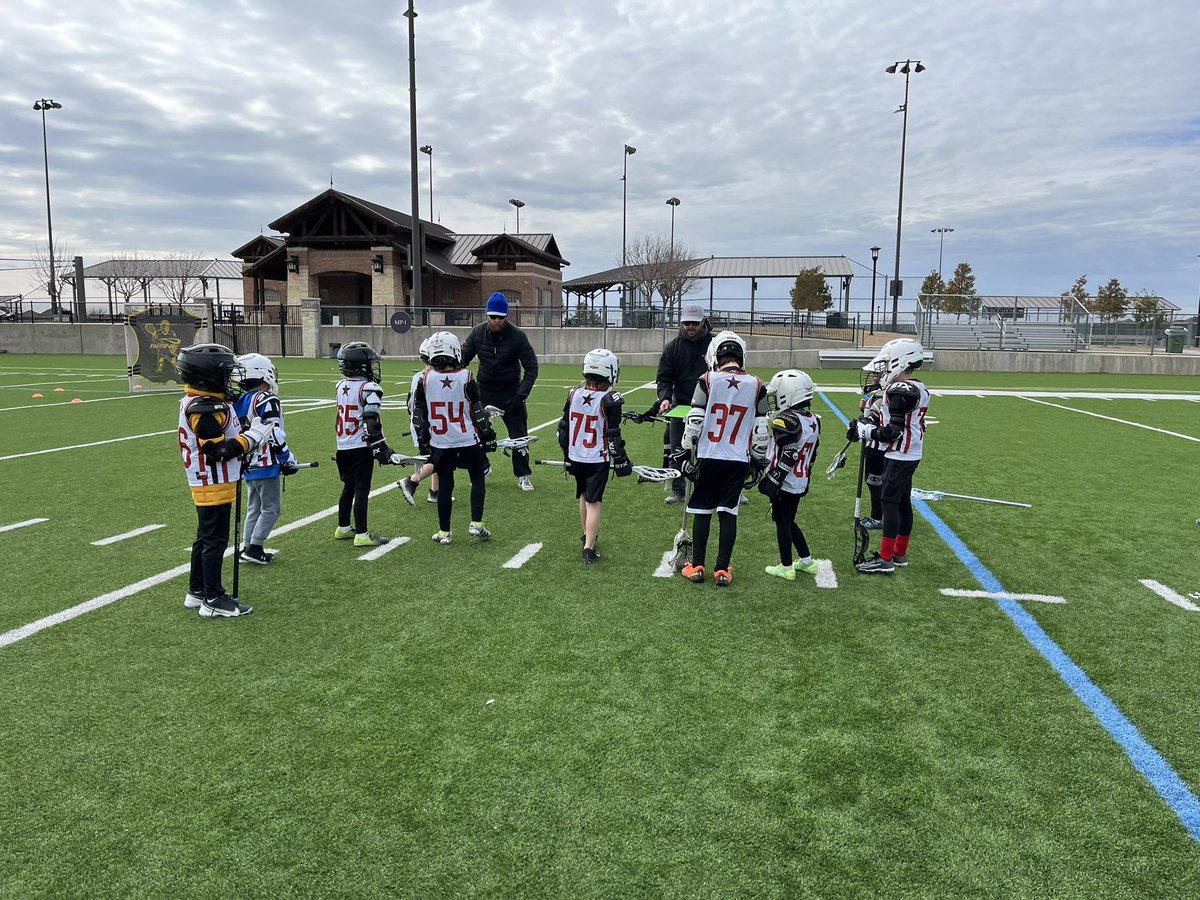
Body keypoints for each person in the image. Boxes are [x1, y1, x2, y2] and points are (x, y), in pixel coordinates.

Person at [177, 343, 275, 619]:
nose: (231, 379)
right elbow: (217, 451)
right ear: (208, 375)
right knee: (214, 541)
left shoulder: (208, 403)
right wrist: (252, 437)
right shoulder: (204, 407)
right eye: (225, 373)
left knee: (205, 538)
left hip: (213, 480)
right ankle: (213, 597)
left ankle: (197, 591)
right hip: (212, 481)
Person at [678, 331, 769, 587]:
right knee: (729, 512)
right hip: (738, 458)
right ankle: (721, 570)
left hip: (709, 455)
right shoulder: (758, 384)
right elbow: (762, 430)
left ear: (714, 355)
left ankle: (697, 566)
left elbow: (694, 422)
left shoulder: (707, 379)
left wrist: (686, 453)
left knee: (702, 511)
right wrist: (759, 461)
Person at [847, 339, 931, 575]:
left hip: (900, 453)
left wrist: (867, 431)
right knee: (903, 502)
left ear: (899, 361)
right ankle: (899, 553)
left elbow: (891, 432)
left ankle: (886, 559)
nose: (882, 371)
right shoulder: (918, 387)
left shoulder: (900, 390)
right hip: (910, 451)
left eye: (886, 365)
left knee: (890, 503)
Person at [410, 331, 498, 544]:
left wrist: (424, 444)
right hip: (468, 439)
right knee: (477, 478)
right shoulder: (466, 377)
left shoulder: (425, 379)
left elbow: (419, 417)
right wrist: (488, 436)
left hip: (441, 441)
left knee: (446, 485)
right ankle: (476, 523)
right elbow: (478, 412)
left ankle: (444, 532)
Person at [557, 349, 632, 564]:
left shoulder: (574, 393)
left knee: (583, 495)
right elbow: (613, 435)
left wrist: (567, 455)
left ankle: (586, 535)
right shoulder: (610, 399)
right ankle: (589, 547)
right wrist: (622, 459)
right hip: (596, 458)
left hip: (576, 454)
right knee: (594, 501)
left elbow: (563, 429)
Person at [461, 291, 539, 491]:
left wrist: (520, 395)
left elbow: (532, 367)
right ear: (487, 315)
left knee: (519, 435)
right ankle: (483, 467)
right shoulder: (477, 333)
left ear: (507, 317)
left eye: (500, 317)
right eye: (492, 317)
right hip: (484, 389)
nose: (496, 321)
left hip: (511, 391)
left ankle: (523, 474)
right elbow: (462, 360)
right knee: (476, 433)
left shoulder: (518, 336)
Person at [333, 341, 404, 547]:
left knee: (349, 486)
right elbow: (371, 422)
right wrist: (381, 447)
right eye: (369, 364)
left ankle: (343, 527)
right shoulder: (368, 388)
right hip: (359, 446)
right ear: (359, 365)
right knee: (362, 488)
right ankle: (362, 534)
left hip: (343, 444)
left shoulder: (341, 386)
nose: (372, 368)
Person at [233, 353, 299, 565]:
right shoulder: (267, 399)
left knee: (254, 507)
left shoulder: (240, 400)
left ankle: (247, 546)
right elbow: (272, 432)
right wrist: (286, 457)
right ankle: (255, 547)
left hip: (247, 462)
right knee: (270, 508)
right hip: (265, 461)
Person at [759, 370, 821, 581]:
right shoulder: (813, 419)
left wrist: (774, 479)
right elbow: (813, 454)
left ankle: (786, 566)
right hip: (800, 479)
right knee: (789, 520)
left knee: (782, 523)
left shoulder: (787, 419)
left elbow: (789, 453)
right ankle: (806, 561)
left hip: (786, 481)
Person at [655, 302, 713, 504]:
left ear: (703, 322)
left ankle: (707, 489)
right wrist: (664, 398)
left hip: (709, 407)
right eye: (686, 323)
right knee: (678, 450)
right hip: (680, 405)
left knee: (709, 450)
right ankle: (678, 490)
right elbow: (664, 378)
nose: (690, 327)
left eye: (694, 323)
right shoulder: (672, 348)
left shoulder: (714, 346)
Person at [397, 337, 444, 506]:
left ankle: (435, 492)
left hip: (423, 424)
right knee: (441, 458)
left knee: (435, 457)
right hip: (429, 425)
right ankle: (411, 481)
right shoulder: (430, 378)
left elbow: (409, 403)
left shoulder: (419, 375)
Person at [859, 367, 886, 530]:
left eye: (876, 375)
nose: (872, 378)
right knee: (873, 481)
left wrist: (863, 419)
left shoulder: (883, 396)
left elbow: (878, 421)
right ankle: (885, 515)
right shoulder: (875, 395)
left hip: (877, 446)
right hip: (873, 444)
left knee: (874, 482)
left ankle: (878, 517)